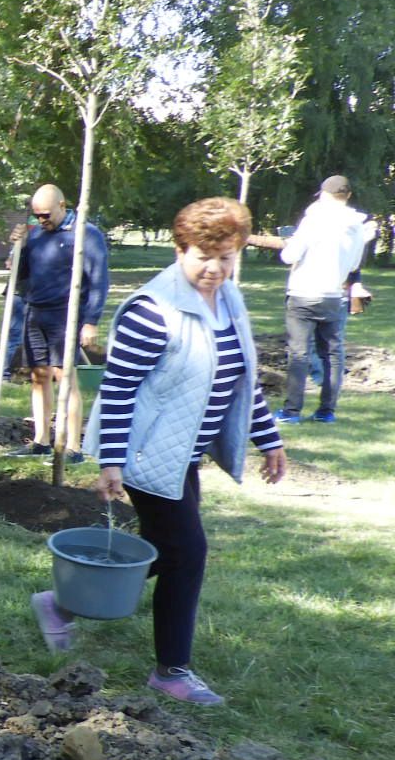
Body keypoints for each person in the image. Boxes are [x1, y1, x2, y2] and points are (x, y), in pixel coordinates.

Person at [33, 197, 286, 707]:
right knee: (187, 553)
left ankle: (62, 603)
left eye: (227, 257)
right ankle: (171, 670)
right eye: (203, 257)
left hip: (183, 455)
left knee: (171, 553)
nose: (215, 269)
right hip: (146, 454)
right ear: (179, 249)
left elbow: (242, 376)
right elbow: (119, 389)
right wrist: (110, 460)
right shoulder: (153, 311)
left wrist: (269, 437)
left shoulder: (228, 299)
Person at [248, 175, 373, 423]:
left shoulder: (313, 220)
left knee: (299, 354)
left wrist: (291, 243)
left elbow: (289, 256)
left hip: (303, 293)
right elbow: (354, 265)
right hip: (334, 296)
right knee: (333, 355)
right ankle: (327, 411)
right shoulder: (358, 225)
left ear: (323, 195)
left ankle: (291, 411)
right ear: (347, 196)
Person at [12, 184, 109, 456]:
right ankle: (41, 441)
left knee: (64, 377)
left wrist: (91, 321)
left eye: (45, 215)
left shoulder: (85, 235)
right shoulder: (36, 236)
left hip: (65, 315)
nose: (41, 220)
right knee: (38, 376)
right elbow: (21, 275)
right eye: (36, 216)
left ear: (62, 206)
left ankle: (72, 446)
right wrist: (18, 248)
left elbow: (99, 280)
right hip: (35, 312)